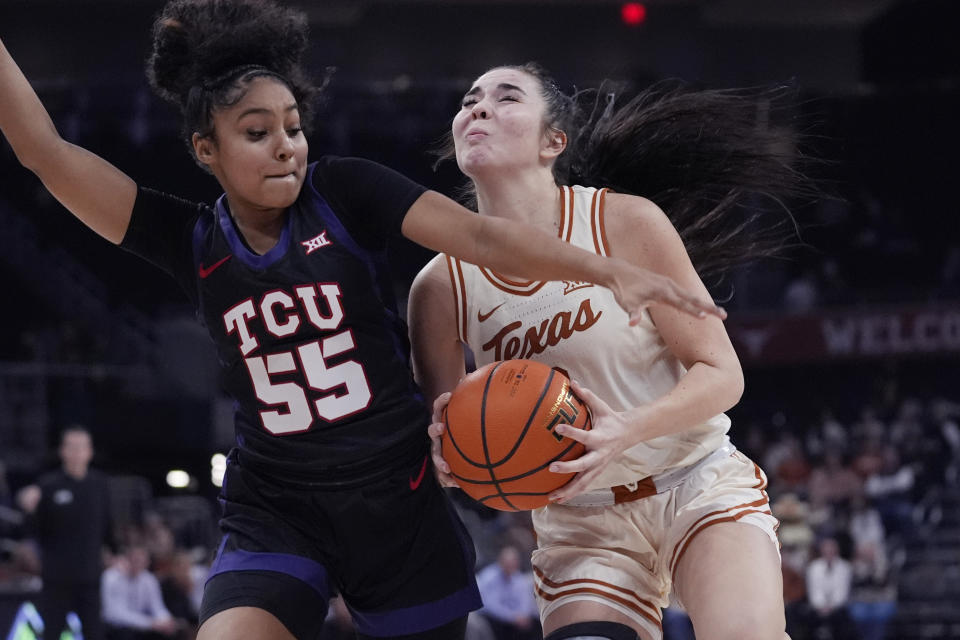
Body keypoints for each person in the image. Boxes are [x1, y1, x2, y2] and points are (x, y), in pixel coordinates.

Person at [0, 2, 723, 638]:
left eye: (292, 125)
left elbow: (480, 237)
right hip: (276, 504)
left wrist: (607, 268)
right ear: (205, 150)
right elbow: (45, 152)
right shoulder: (187, 240)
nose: (286, 143)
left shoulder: (344, 191)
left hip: (398, 500)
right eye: (256, 132)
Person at [411, 63, 813, 640]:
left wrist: (626, 428)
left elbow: (722, 374)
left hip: (693, 483)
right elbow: (448, 437)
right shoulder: (439, 285)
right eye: (470, 99)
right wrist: (452, 464)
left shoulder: (621, 222)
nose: (479, 108)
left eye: (506, 98)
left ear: (554, 142)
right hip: (582, 527)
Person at [16, 425, 115, 640]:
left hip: (90, 576)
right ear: (62, 451)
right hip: (56, 578)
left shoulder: (100, 484)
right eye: (72, 447)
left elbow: (108, 527)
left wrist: (115, 552)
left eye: (82, 447)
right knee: (52, 633)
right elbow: (32, 530)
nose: (77, 453)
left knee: (95, 633)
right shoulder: (48, 485)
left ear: (90, 452)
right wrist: (30, 510)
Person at [102, 545, 181, 640]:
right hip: (117, 627)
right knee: (126, 634)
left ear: (147, 562)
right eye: (135, 560)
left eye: (141, 561)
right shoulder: (111, 578)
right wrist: (150, 623)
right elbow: (116, 614)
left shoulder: (149, 579)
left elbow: (157, 607)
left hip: (142, 626)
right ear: (127, 559)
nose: (138, 564)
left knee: (170, 633)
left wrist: (166, 620)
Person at [474, 546, 540, 640]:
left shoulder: (518, 578)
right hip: (492, 617)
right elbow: (491, 606)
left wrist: (523, 615)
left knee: (533, 624)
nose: (511, 564)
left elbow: (525, 601)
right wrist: (512, 618)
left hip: (513, 618)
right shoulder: (489, 577)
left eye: (513, 561)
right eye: (508, 562)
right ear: (500, 561)